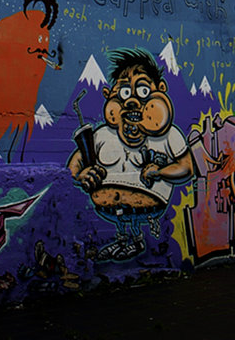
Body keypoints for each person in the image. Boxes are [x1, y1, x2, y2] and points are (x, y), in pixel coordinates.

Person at [67, 48, 194, 262]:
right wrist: (82, 175)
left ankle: (136, 240)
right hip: (108, 209)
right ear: (109, 96)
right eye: (125, 93)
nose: (132, 101)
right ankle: (122, 241)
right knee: (121, 223)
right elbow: (75, 164)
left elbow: (187, 167)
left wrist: (160, 171)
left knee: (133, 224)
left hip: (150, 207)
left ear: (161, 90)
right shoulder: (102, 135)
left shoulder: (170, 135)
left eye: (143, 91)